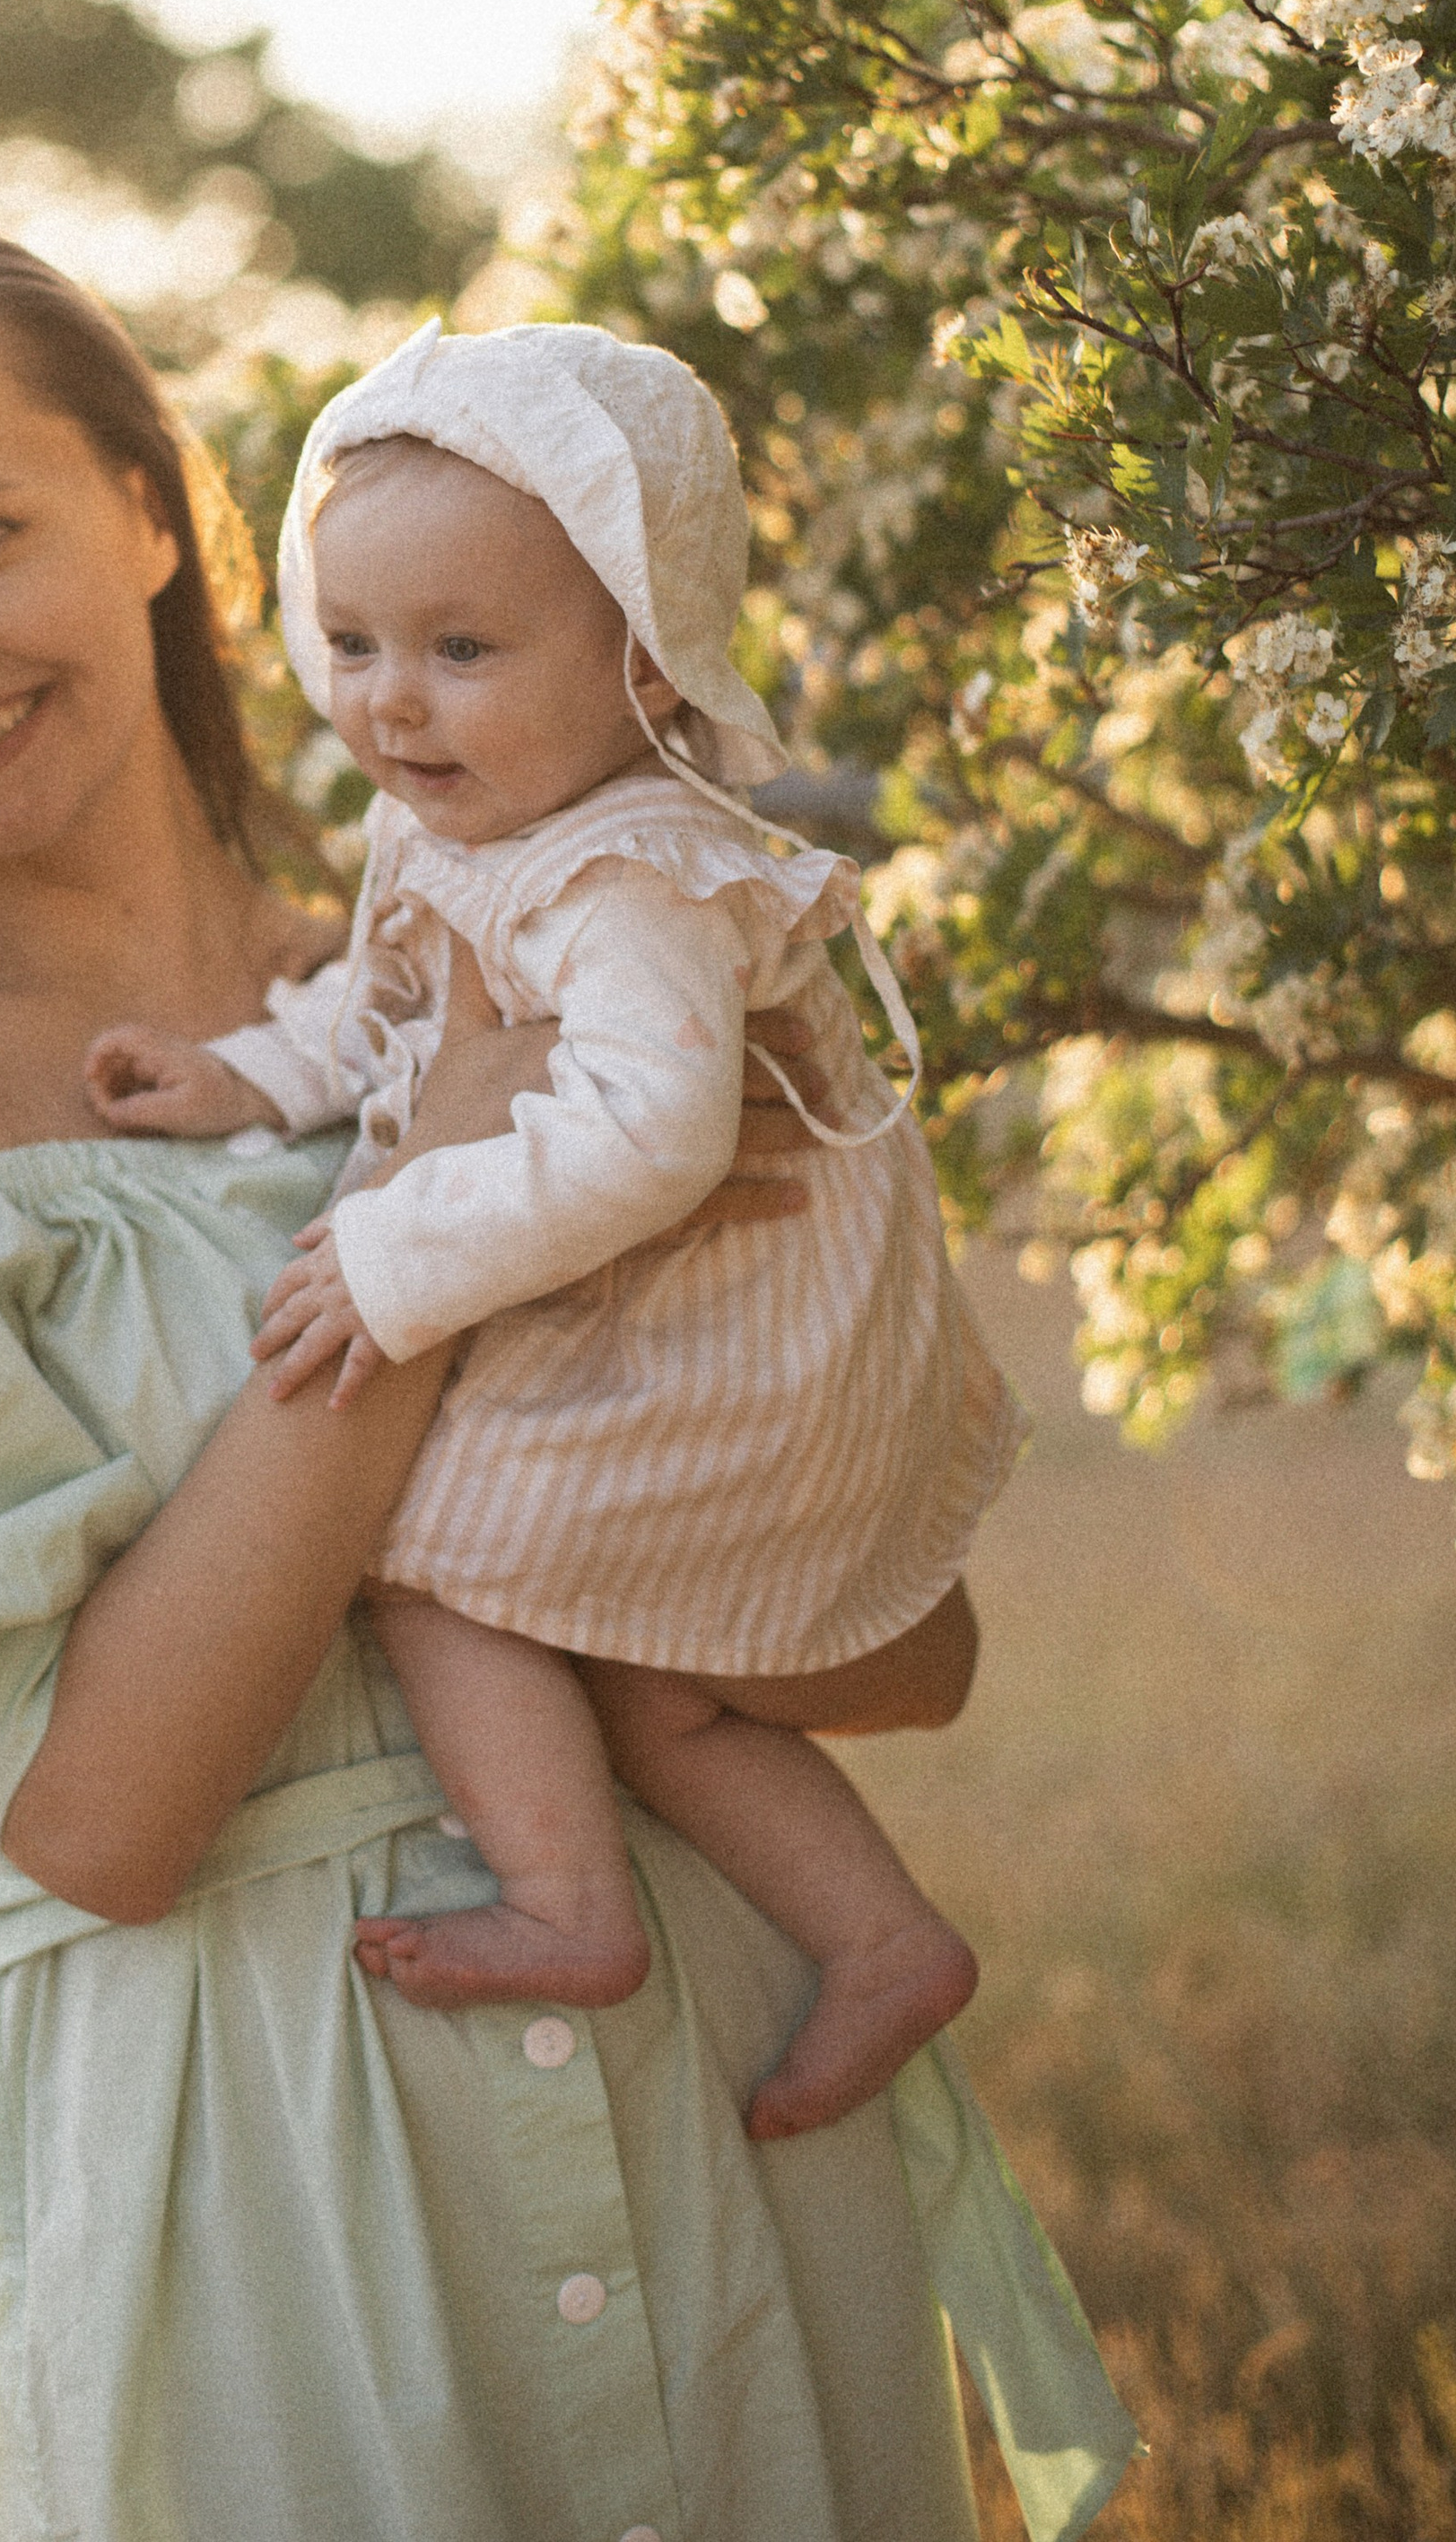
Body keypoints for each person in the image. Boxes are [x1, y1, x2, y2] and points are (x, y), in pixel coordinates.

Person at [0, 206, 1135, 2542]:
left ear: (149, 509)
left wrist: (678, 1313)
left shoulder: (533, 947)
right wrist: (428, 1184)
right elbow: (94, 1826)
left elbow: (908, 1647)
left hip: (714, 2101)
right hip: (284, 2187)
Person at [81, 322, 1024, 2140]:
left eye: (459, 649)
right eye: (350, 644)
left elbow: (652, 1139)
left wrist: (391, 1254)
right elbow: (397, 1014)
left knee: (437, 1556)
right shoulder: (464, 826)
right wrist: (248, 1078)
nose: (388, 704)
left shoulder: (629, 873)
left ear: (642, 662)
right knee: (649, 1675)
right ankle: (881, 1939)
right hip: (667, 1328)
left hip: (735, 1342)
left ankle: (570, 1905)